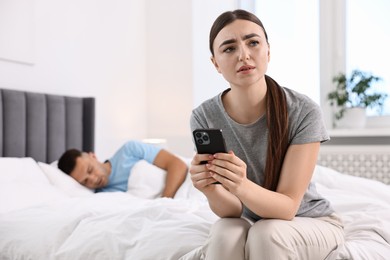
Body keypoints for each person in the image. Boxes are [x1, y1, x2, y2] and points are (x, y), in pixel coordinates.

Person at [188, 9, 344, 260]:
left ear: (268, 51)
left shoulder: (303, 111)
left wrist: (240, 183)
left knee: (267, 233)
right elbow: (231, 211)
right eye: (229, 49)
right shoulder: (203, 116)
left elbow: (288, 207)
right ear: (215, 63)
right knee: (224, 233)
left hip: (308, 219)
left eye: (253, 43)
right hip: (253, 220)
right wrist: (209, 189)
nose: (244, 55)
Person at [58, 140, 187, 198]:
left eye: (90, 170)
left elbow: (177, 164)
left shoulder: (129, 151)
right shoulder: (103, 197)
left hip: (185, 185)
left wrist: (165, 201)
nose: (92, 179)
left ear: (93, 156)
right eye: (85, 181)